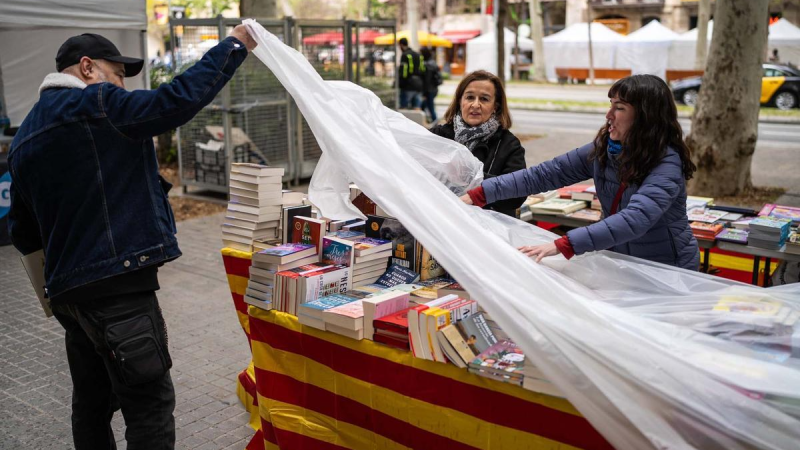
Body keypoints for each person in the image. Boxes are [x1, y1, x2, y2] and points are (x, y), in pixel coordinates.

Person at [7, 26, 257, 450]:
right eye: (118, 74)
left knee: (91, 404)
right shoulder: (98, 102)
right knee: (149, 404)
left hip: (69, 297)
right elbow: (174, 101)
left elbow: (22, 232)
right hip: (118, 290)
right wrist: (233, 46)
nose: (124, 86)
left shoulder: (25, 136)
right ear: (87, 68)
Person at [461, 74, 700, 270]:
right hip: (623, 263)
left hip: (667, 269)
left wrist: (564, 244)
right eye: (610, 106)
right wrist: (478, 195)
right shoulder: (604, 149)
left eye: (620, 108)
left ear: (645, 118)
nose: (609, 116)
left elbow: (636, 219)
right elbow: (544, 174)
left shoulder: (666, 163)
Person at [431, 70, 527, 217]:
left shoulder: (509, 145)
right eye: (469, 97)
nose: (475, 104)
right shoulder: (437, 136)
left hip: (488, 231)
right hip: (440, 223)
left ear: (495, 106)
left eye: (484, 99)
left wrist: (469, 173)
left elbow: (516, 196)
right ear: (460, 101)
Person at [398, 37, 425, 109]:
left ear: (401, 45)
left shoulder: (405, 55)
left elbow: (403, 72)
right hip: (419, 84)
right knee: (416, 108)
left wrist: (400, 83)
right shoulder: (418, 54)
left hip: (408, 85)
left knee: (403, 108)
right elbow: (423, 70)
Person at [420, 47, 442, 123]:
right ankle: (430, 120)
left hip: (429, 90)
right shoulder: (433, 62)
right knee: (424, 106)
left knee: (429, 106)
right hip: (433, 89)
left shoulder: (427, 65)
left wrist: (424, 92)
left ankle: (435, 121)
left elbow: (427, 80)